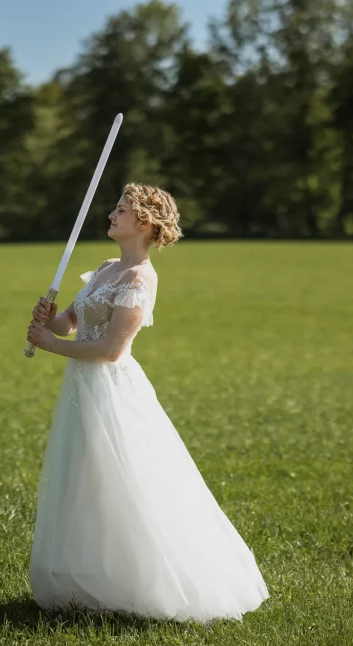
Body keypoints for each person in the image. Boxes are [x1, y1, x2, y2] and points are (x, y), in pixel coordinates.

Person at [25, 183, 268, 622]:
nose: (111, 215)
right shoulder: (103, 268)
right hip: (81, 390)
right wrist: (50, 319)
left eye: (121, 210)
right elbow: (71, 325)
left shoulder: (140, 278)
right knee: (83, 480)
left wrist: (48, 345)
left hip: (112, 391)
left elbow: (110, 350)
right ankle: (88, 580)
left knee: (124, 479)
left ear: (143, 223)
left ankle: (141, 583)